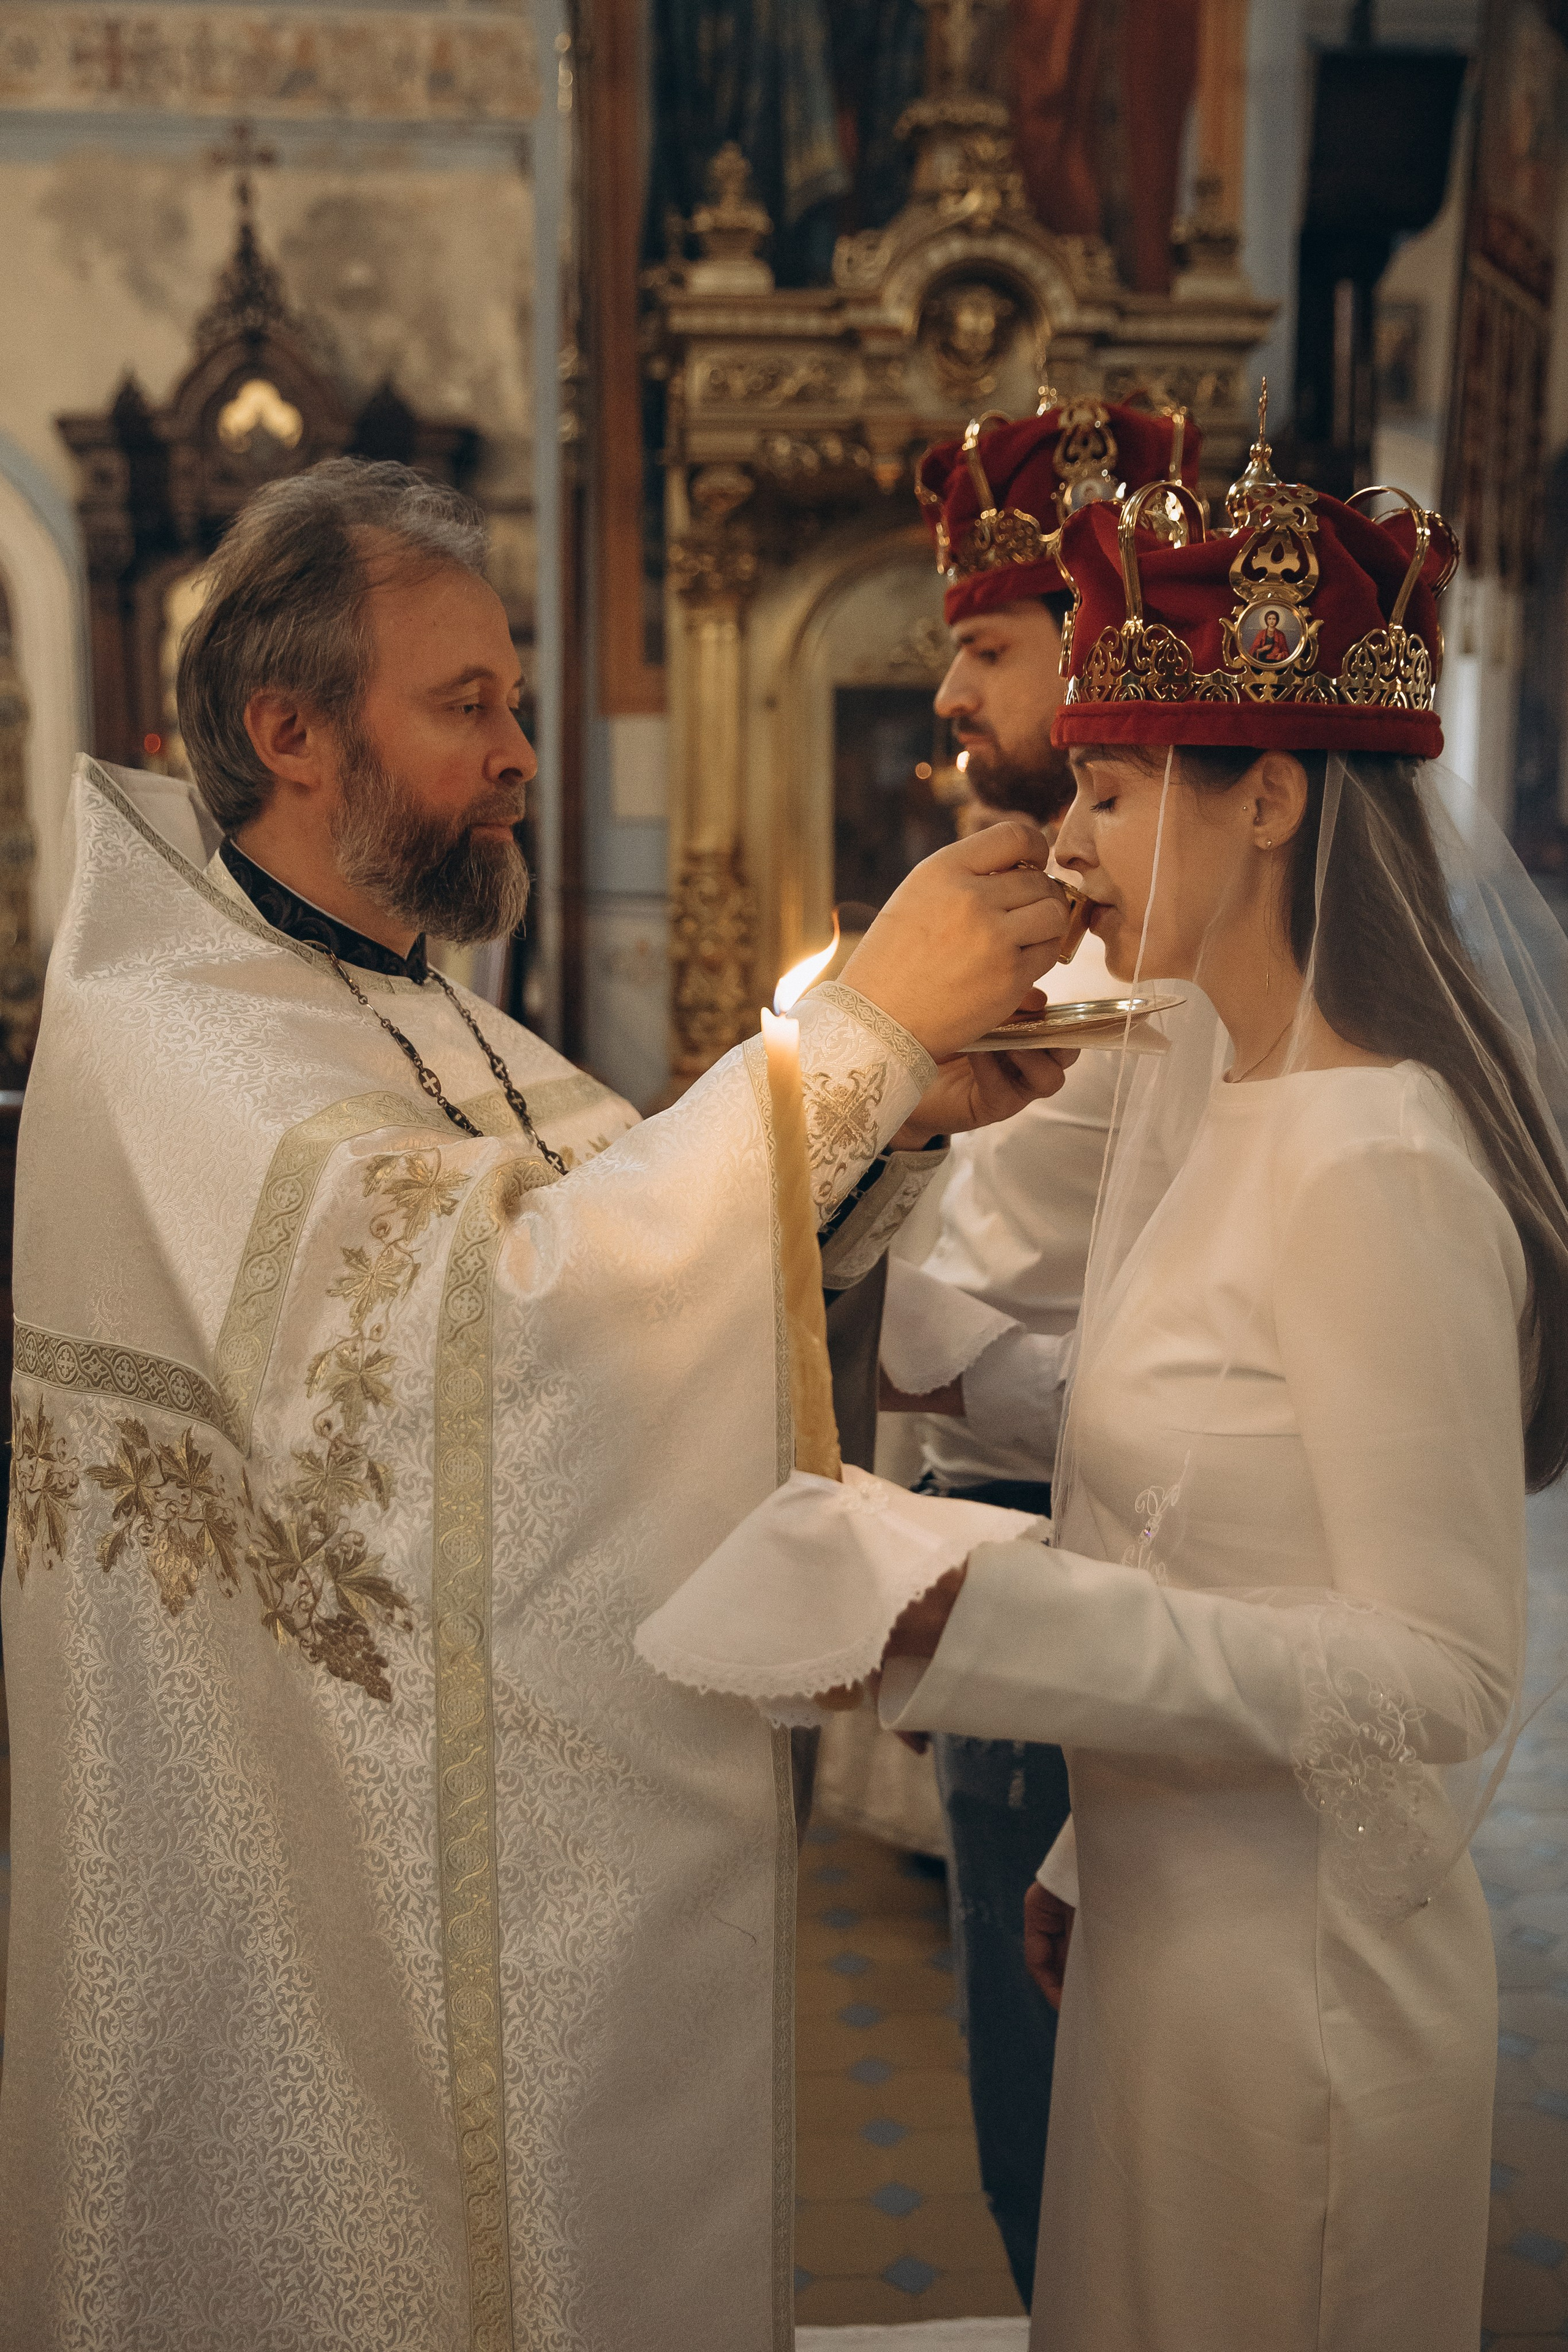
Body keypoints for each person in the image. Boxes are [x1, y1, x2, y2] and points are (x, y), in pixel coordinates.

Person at [0, 458, 1081, 2351]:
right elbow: (487, 1339)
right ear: (291, 732)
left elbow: (610, 1238)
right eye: (468, 707)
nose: (519, 752)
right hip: (307, 1905)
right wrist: (858, 1036)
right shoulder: (172, 1029)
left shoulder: (403, 1005)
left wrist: (876, 1122)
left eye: (514, 702)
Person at [636, 411, 1568, 2351]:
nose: (1060, 844)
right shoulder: (1204, 1097)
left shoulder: (1381, 1157)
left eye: (1122, 794)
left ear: (1272, 805)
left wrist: (1011, 1623)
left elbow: (1449, 1677)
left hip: (1308, 2003)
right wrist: (1083, 1832)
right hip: (1160, 1936)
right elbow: (1198, 1517)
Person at [872, 394, 1202, 2306]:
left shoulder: (1133, 984)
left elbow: (922, 1333)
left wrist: (875, 1135)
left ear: (1096, 648)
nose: (953, 706)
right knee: (1058, 2150)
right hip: (1038, 1587)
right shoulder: (1058, 941)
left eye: (987, 649)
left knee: (1078, 2164)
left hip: (1088, 1597)